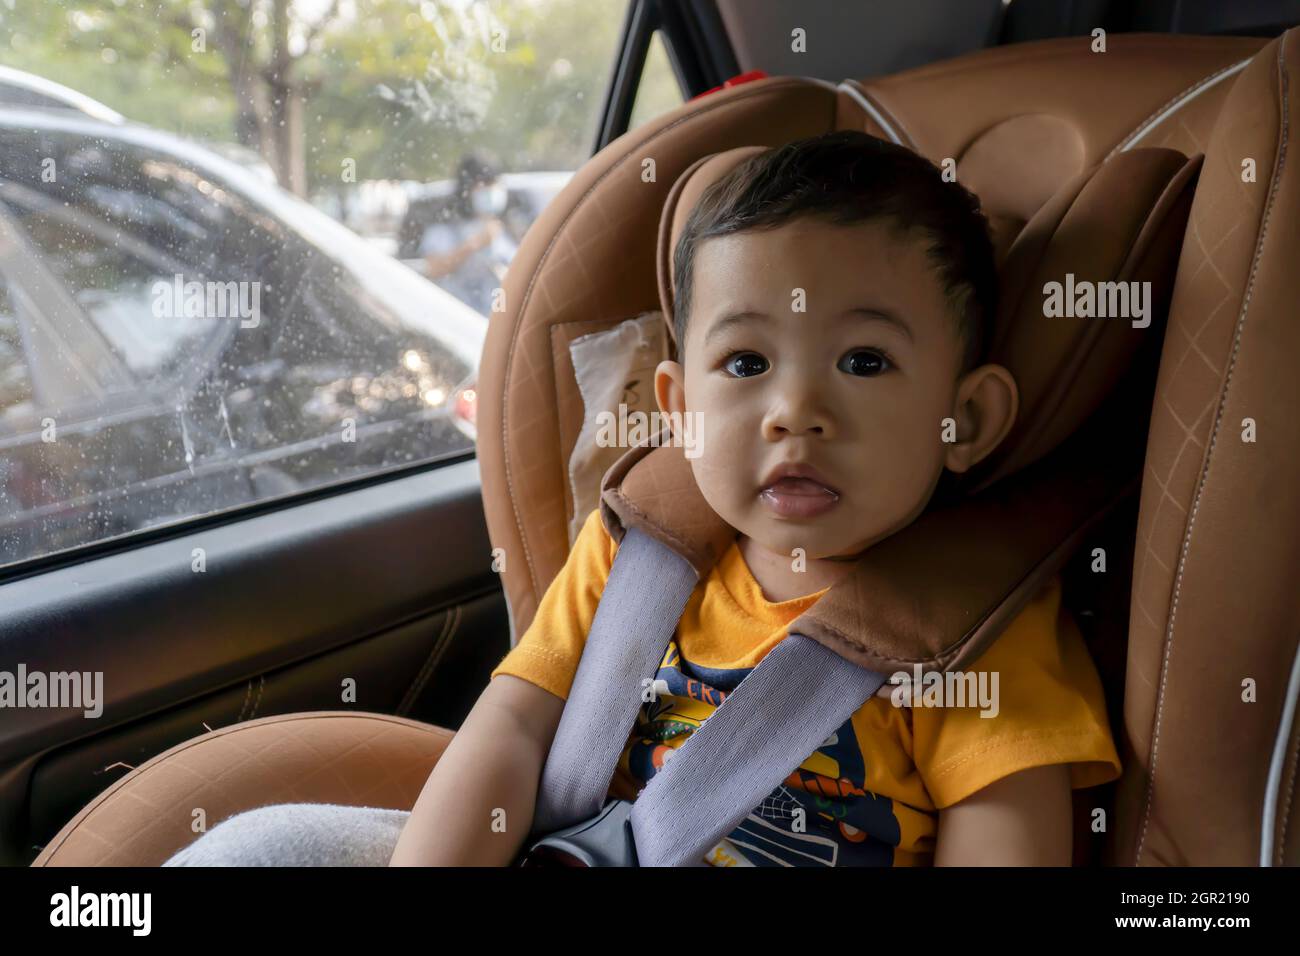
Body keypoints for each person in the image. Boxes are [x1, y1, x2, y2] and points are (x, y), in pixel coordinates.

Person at [165, 131, 1120, 867]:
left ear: (969, 417)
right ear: (681, 405)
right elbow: (508, 733)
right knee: (261, 848)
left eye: (864, 361)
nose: (796, 412)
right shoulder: (636, 552)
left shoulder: (980, 640)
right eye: (745, 363)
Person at [418, 153, 518, 315]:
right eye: (483, 184)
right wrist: (474, 244)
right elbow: (435, 269)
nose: (490, 191)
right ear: (467, 188)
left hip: (498, 320)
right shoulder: (444, 229)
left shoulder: (506, 229)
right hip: (460, 322)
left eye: (494, 184)